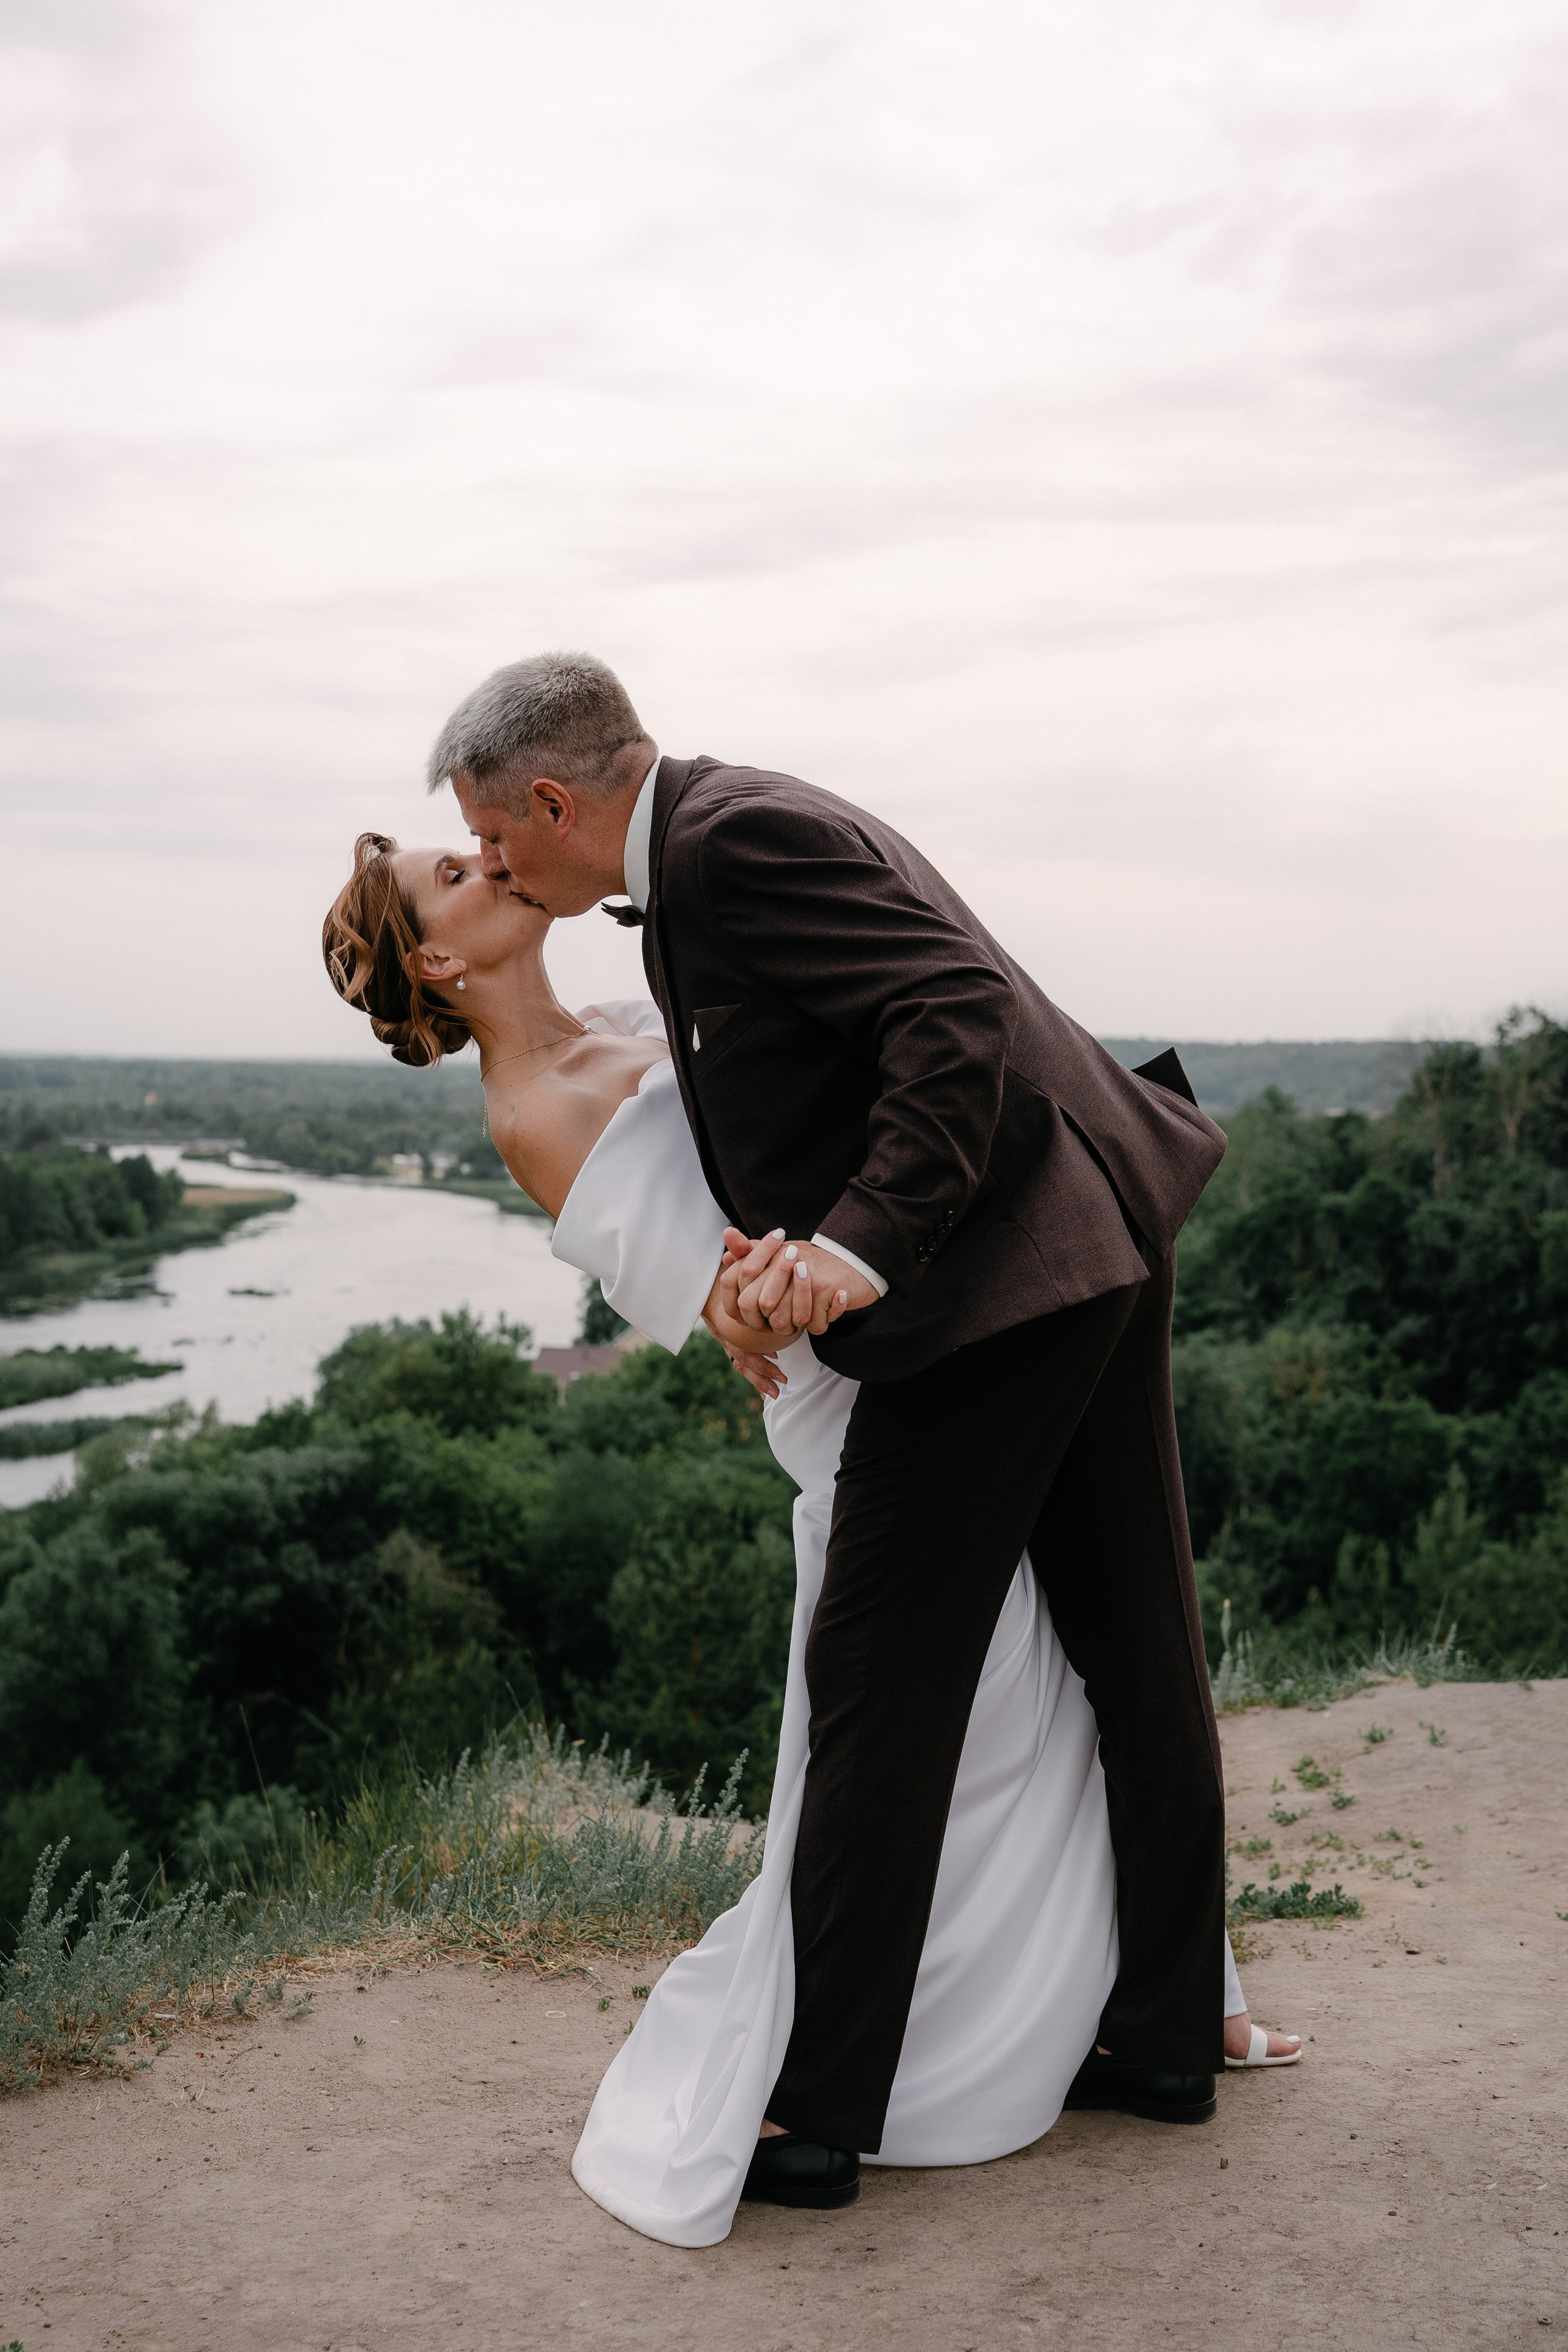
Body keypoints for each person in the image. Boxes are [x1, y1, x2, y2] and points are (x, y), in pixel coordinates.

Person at [322, 827, 1300, 2247]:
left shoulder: (629, 1010)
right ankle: (943, 2044)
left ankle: (1145, 2004)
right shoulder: (531, 1105)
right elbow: (709, 1303)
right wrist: (742, 1305)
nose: (487, 861)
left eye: (480, 846)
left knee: (1069, 1688)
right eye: (454, 876)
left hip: (916, 1315)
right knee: (958, 1715)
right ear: (438, 958)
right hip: (845, 1387)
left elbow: (797, 1104)